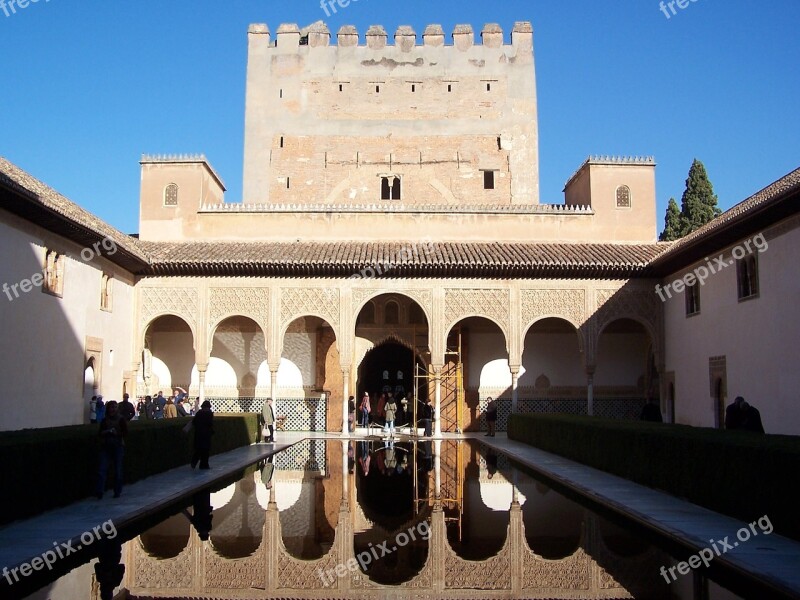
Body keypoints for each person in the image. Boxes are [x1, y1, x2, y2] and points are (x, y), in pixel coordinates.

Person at [96, 400, 127, 499]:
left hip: (118, 446)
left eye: (115, 407)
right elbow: (100, 433)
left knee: (118, 470)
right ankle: (100, 491)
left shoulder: (121, 419)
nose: (113, 409)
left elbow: (125, 432)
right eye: (112, 407)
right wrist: (107, 432)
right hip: (106, 446)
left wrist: (116, 434)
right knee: (102, 470)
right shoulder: (105, 420)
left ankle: (117, 491)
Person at [191, 400, 214, 469]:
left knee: (198, 449)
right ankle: (204, 464)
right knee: (205, 451)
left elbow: (194, 422)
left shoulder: (199, 413)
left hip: (198, 433)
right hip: (206, 434)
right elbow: (210, 424)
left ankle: (194, 461)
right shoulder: (209, 413)